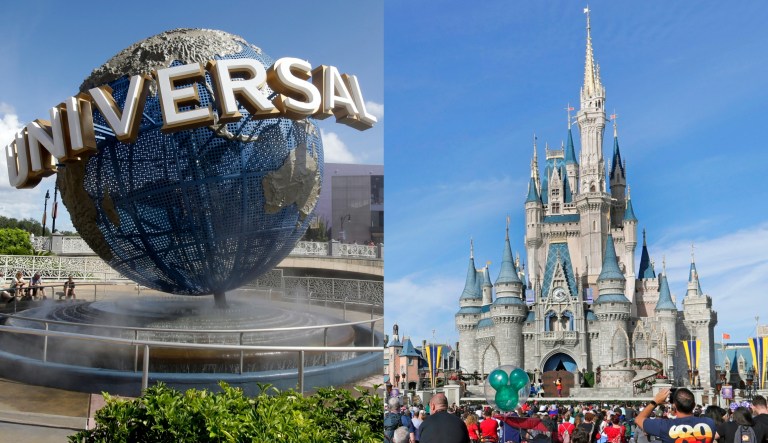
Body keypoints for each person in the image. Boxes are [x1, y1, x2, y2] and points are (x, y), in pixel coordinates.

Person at [636, 388, 715, 443]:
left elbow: (638, 419)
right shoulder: (709, 423)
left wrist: (655, 402)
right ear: (694, 405)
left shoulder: (665, 426)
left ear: (674, 406)